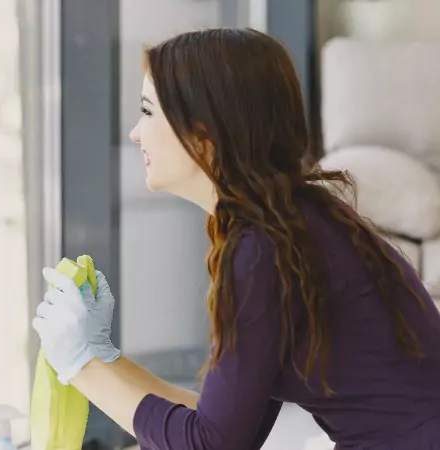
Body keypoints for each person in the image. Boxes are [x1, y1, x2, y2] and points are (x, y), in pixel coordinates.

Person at [32, 28, 440, 449]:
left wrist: (80, 363)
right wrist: (100, 357)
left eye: (148, 111)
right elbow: (221, 426)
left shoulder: (263, 251)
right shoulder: (292, 224)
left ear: (204, 135)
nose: (136, 133)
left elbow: (211, 445)